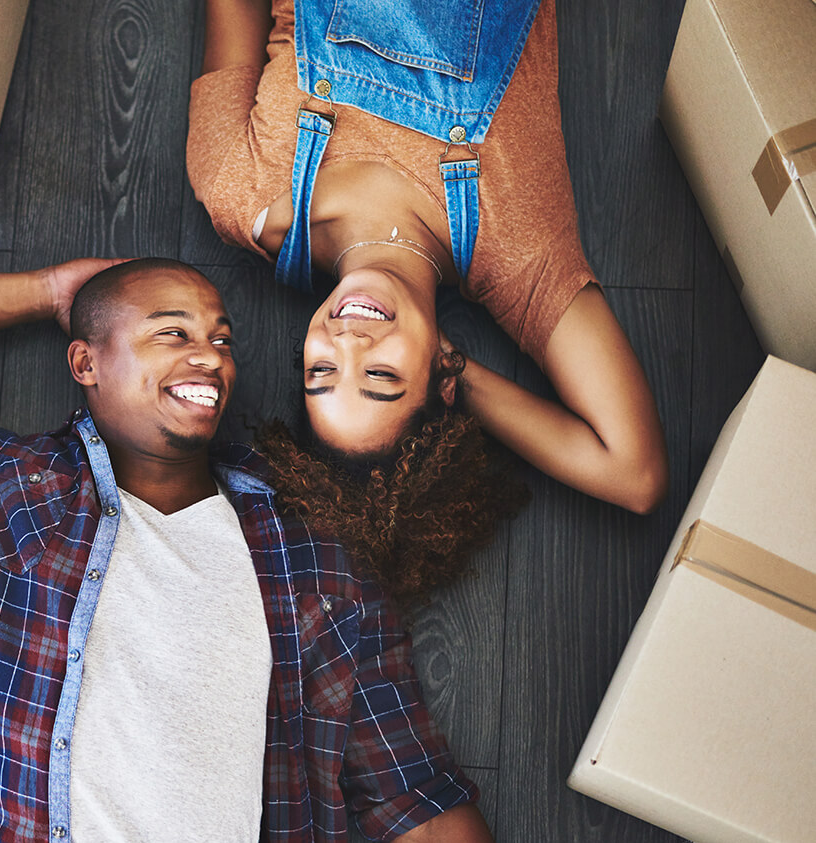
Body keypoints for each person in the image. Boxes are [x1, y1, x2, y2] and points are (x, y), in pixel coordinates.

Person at [0, 257, 494, 842]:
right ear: (86, 362)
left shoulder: (313, 553)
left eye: (221, 340)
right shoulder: (5, 491)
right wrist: (48, 292)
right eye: (171, 332)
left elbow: (413, 795)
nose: (208, 358)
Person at [187, 0, 670, 526]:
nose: (347, 343)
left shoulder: (238, 190)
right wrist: (457, 370)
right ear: (442, 380)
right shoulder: (516, 250)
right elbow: (634, 476)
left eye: (321, 370)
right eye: (381, 375)